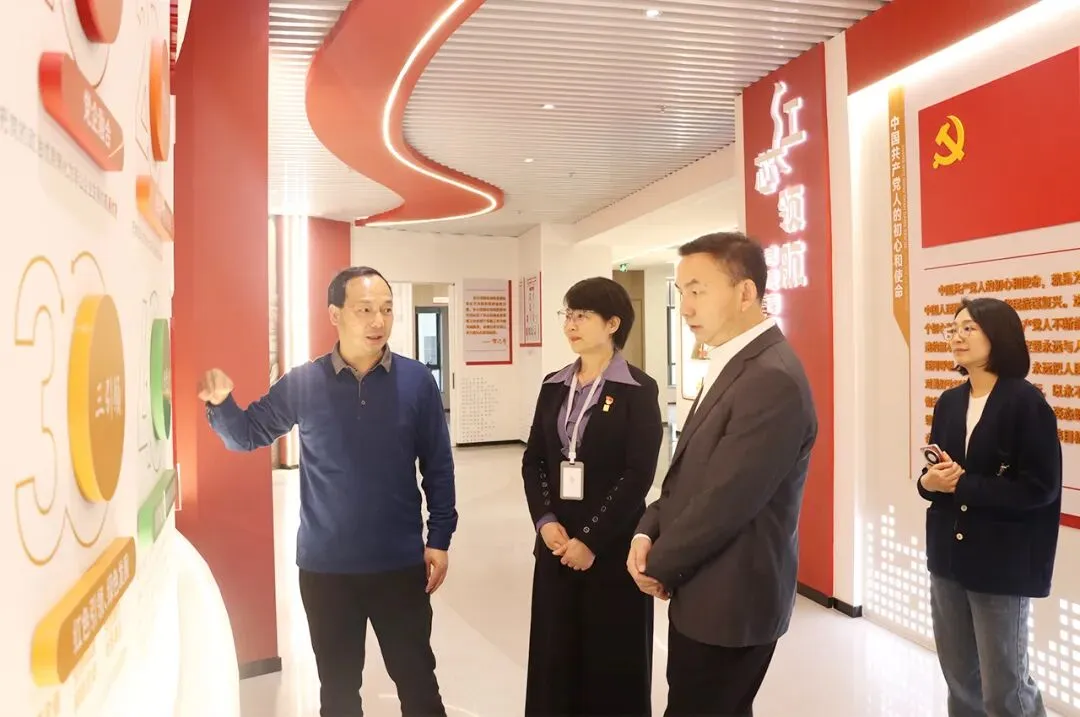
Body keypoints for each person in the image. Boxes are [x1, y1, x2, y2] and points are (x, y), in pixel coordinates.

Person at [198, 266, 456, 717]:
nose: (379, 321)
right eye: (365, 310)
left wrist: (439, 538)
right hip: (326, 570)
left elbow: (438, 465)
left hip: (398, 564)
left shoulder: (417, 381)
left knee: (418, 683)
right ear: (335, 314)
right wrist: (222, 405)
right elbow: (247, 434)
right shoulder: (305, 383)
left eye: (386, 309)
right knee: (337, 693)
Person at [626, 232, 818, 717]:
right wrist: (648, 529)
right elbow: (689, 475)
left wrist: (658, 565)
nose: (686, 307)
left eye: (698, 290)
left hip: (733, 600)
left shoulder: (771, 377)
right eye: (681, 292)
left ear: (745, 292)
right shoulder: (731, 362)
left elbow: (726, 501)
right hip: (705, 590)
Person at [521, 277, 663, 717]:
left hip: (612, 548)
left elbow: (638, 475)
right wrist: (545, 521)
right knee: (554, 655)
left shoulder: (639, 389)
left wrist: (590, 540)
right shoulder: (553, 385)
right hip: (556, 544)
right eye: (568, 315)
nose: (571, 324)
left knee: (611, 660)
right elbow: (534, 460)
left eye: (582, 315)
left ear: (613, 324)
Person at [918, 297, 1061, 717]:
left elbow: (1040, 489)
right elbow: (937, 473)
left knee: (1005, 689)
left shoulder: (1026, 403)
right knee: (960, 681)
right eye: (954, 329)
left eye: (969, 328)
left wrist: (965, 485)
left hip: (1000, 563)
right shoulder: (949, 402)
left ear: (998, 335)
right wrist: (928, 483)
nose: (957, 337)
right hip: (947, 558)